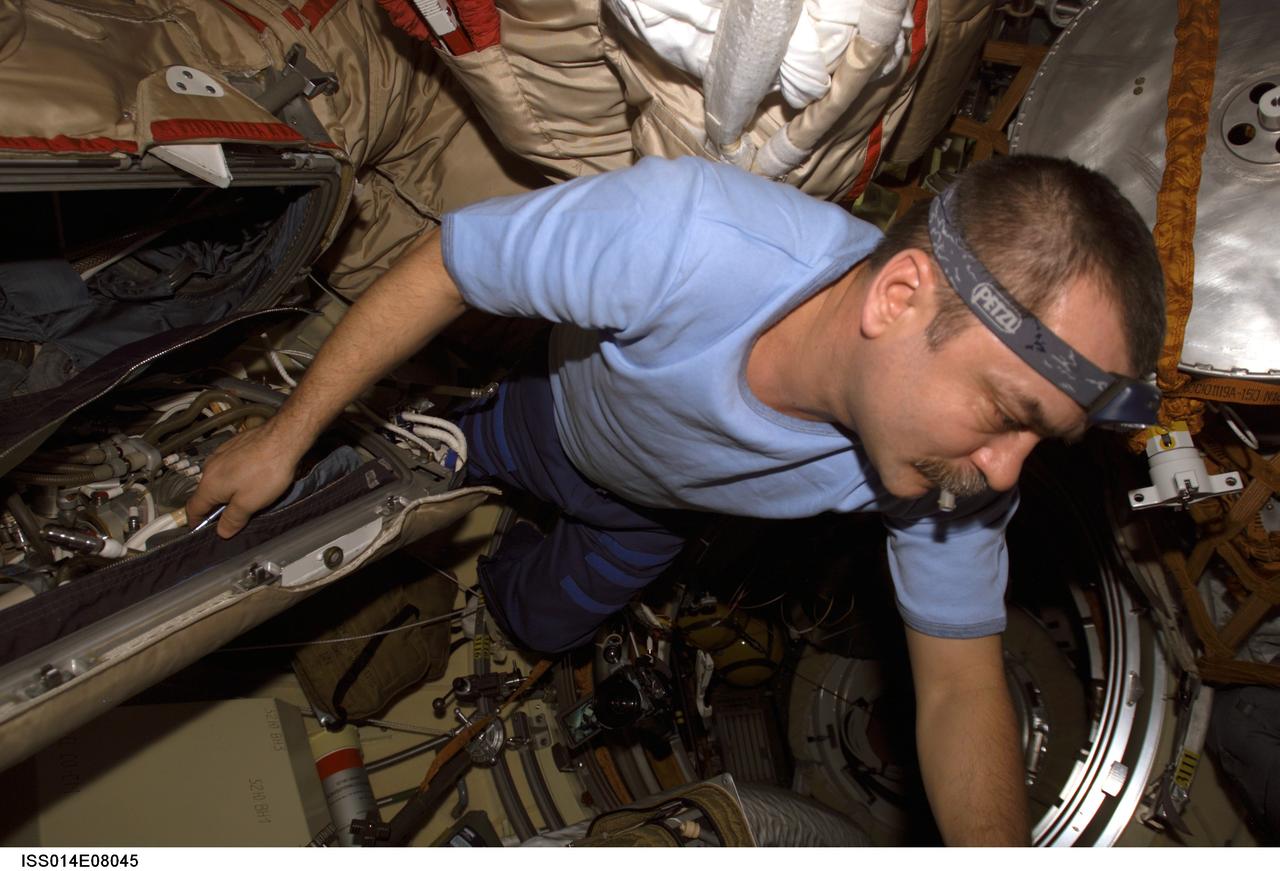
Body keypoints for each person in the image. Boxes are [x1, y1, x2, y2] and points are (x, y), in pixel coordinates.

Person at [187, 154, 1165, 844]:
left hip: (650, 519)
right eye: (1005, 411)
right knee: (400, 480)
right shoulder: (690, 237)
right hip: (542, 414)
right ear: (896, 298)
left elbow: (958, 683)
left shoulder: (949, 475)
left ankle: (508, 550)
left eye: (1041, 440)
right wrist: (286, 435)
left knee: (534, 621)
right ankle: (466, 451)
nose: (1004, 473)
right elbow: (449, 263)